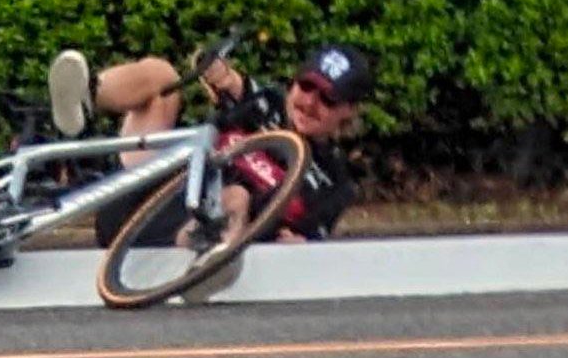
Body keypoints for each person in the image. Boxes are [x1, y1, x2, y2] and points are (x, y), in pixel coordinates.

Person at [46, 42, 374, 257]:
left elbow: (308, 250)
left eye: (327, 99)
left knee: (237, 195)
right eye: (306, 87)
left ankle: (209, 253)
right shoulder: (265, 103)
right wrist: (215, 66)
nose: (309, 103)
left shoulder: (334, 183)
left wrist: (298, 247)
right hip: (142, 199)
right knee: (162, 74)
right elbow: (224, 76)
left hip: (180, 240)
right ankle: (84, 100)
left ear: (349, 111)